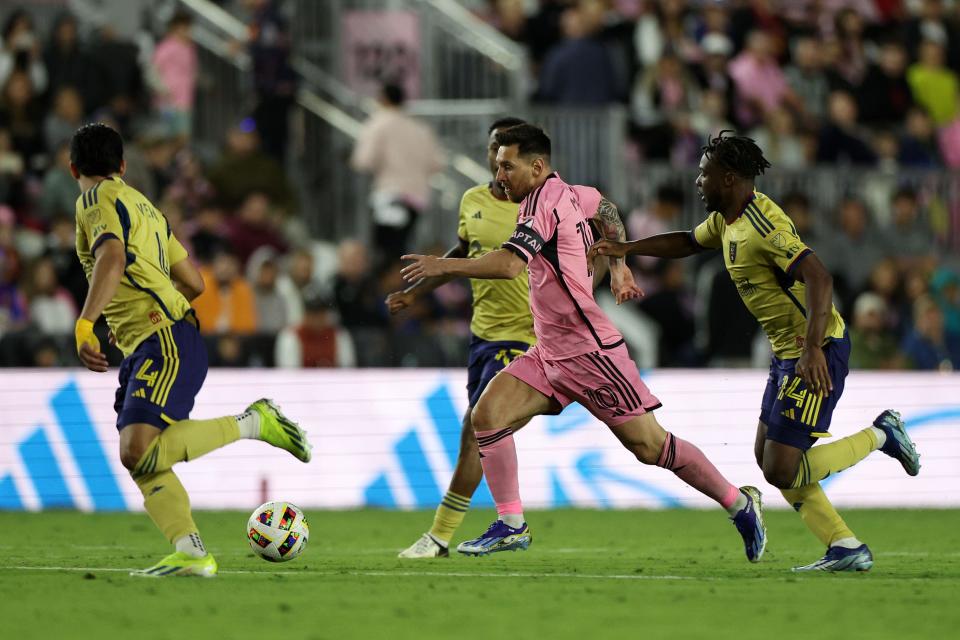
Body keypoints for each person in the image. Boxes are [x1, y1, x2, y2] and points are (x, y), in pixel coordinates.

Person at [400, 124, 767, 561]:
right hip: (550, 353)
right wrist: (618, 263)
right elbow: (606, 209)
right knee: (487, 415)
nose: (500, 176)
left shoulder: (542, 205)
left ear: (537, 167)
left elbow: (508, 266)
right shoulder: (573, 192)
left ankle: (739, 503)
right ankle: (511, 524)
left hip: (591, 353)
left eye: (507, 166)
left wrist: (443, 268)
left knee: (651, 448)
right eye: (498, 166)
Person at [589, 131, 921, 571]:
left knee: (782, 467)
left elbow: (820, 278)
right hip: (788, 352)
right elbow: (688, 241)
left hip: (815, 349)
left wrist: (815, 349)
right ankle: (844, 546)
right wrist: (629, 248)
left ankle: (883, 433)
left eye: (704, 174)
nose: (698, 182)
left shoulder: (764, 226)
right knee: (769, 457)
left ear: (728, 178)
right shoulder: (728, 220)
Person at [70, 123, 311, 577]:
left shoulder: (94, 200)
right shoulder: (149, 210)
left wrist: (87, 323)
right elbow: (196, 282)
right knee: (139, 455)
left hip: (160, 339)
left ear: (72, 169)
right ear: (122, 165)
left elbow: (112, 257)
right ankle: (191, 552)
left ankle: (253, 421)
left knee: (137, 450)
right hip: (160, 339)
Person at [386, 117, 535, 558]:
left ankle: (446, 535)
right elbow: (461, 252)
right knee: (473, 435)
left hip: (528, 337)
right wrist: (415, 294)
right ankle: (471, 530)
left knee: (477, 427)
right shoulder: (471, 199)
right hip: (483, 337)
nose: (497, 159)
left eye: (506, 151)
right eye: (493, 149)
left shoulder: (538, 204)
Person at [350, 82, 445, 266]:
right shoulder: (420, 128)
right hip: (416, 198)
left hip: (389, 195)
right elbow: (437, 163)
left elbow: (363, 160)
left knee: (385, 252)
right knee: (403, 248)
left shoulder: (379, 122)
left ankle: (388, 292)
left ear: (383, 99)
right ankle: (402, 288)